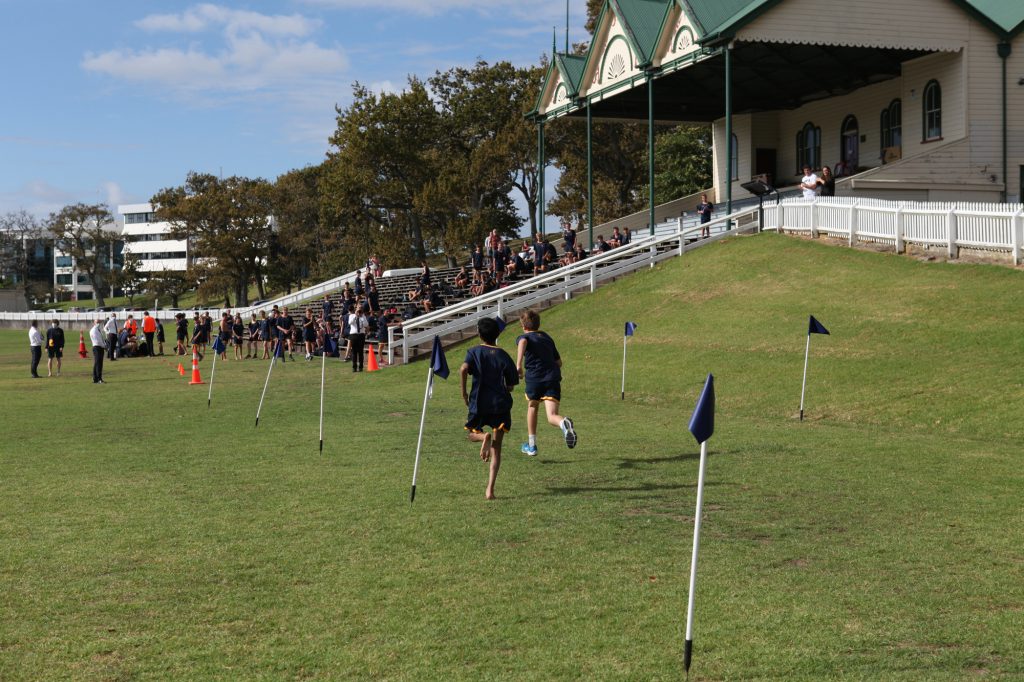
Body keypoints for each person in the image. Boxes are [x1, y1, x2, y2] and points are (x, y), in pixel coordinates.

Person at [460, 317, 518, 500]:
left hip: (479, 402)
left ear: (479, 334)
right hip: (500, 404)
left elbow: (463, 369)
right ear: (497, 334)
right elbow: (511, 385)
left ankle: (482, 436)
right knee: (497, 448)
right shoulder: (503, 355)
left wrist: (464, 394)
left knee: (471, 433)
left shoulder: (474, 352)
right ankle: (490, 490)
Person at [515, 309, 577, 456]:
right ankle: (563, 424)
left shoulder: (524, 337)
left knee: (533, 406)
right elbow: (559, 362)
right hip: (552, 377)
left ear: (524, 326)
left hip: (535, 378)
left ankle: (532, 446)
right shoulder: (547, 337)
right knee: (552, 415)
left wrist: (518, 364)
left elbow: (523, 341)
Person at [347, 305, 369, 372]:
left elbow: (366, 325)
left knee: (360, 352)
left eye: (361, 308)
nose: (360, 309)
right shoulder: (351, 315)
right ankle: (354, 367)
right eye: (359, 308)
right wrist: (356, 316)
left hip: (361, 335)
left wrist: (362, 317)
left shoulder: (363, 316)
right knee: (354, 352)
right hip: (353, 335)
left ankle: (361, 367)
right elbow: (350, 323)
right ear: (356, 308)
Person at [89, 318, 107, 383]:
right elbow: (98, 341)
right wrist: (104, 346)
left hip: (99, 347)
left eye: (99, 322)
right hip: (97, 347)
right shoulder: (94, 330)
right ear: (94, 323)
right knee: (98, 364)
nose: (98, 323)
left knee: (97, 363)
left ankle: (95, 378)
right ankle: (99, 378)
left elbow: (101, 339)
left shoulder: (98, 330)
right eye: (97, 322)